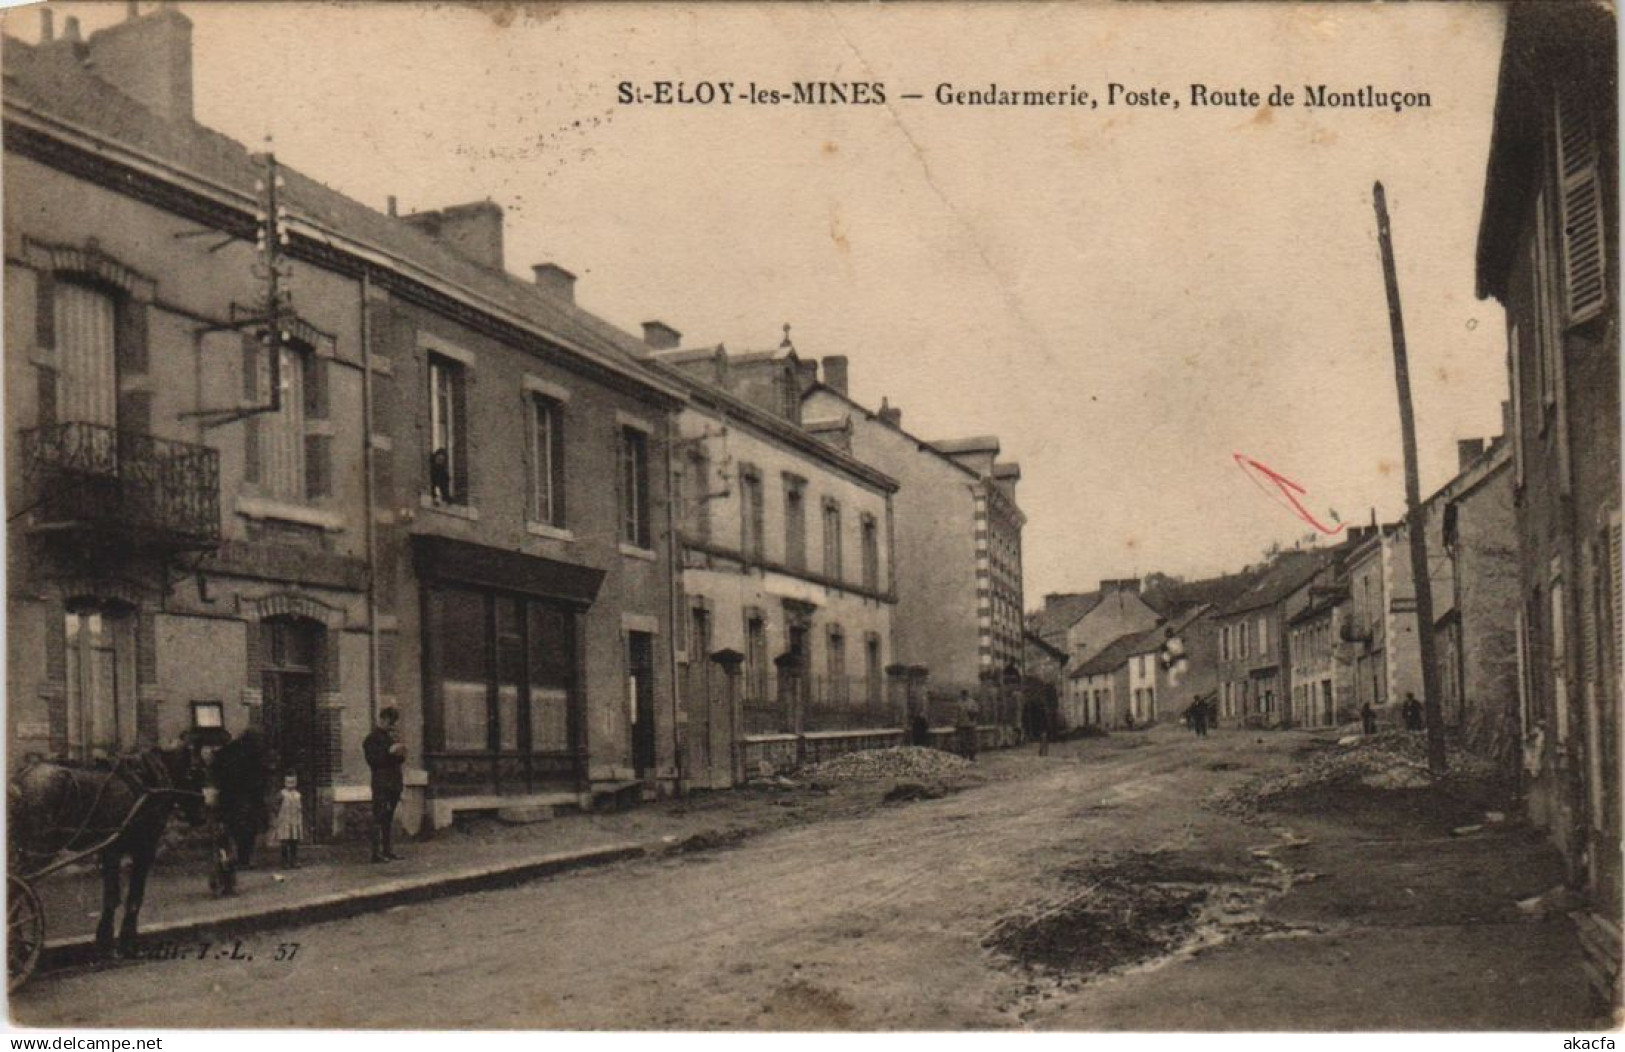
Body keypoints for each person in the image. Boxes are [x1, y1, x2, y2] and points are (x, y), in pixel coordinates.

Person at [209, 728, 268, 870]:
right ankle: (242, 858)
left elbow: (217, 773)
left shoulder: (226, 753)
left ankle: (236, 857)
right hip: (244, 797)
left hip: (232, 797)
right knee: (246, 828)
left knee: (236, 828)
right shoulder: (253, 755)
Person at [363, 706, 407, 863]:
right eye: (390, 722)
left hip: (394, 783)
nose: (392, 726)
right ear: (382, 720)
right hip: (381, 784)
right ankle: (376, 853)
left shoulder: (390, 738)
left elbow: (400, 760)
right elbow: (373, 762)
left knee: (388, 818)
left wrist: (400, 752)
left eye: (393, 723)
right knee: (378, 817)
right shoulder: (371, 739)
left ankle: (388, 850)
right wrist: (390, 751)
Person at [271, 771, 304, 869]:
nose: (291, 785)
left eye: (293, 782)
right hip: (284, 820)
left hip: (295, 820)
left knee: (294, 841)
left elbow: (300, 807)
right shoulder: (282, 794)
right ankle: (284, 862)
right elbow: (275, 806)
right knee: (285, 842)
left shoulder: (298, 795)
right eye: (288, 782)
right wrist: (278, 815)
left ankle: (294, 860)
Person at [955, 690, 979, 761]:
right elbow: (957, 714)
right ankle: (964, 756)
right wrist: (957, 723)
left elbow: (976, 712)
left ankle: (972, 756)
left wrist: (972, 713)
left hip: (971, 724)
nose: (964, 696)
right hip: (962, 724)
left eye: (965, 695)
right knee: (963, 741)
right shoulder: (959, 703)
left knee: (972, 740)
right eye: (963, 695)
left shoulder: (972, 702)